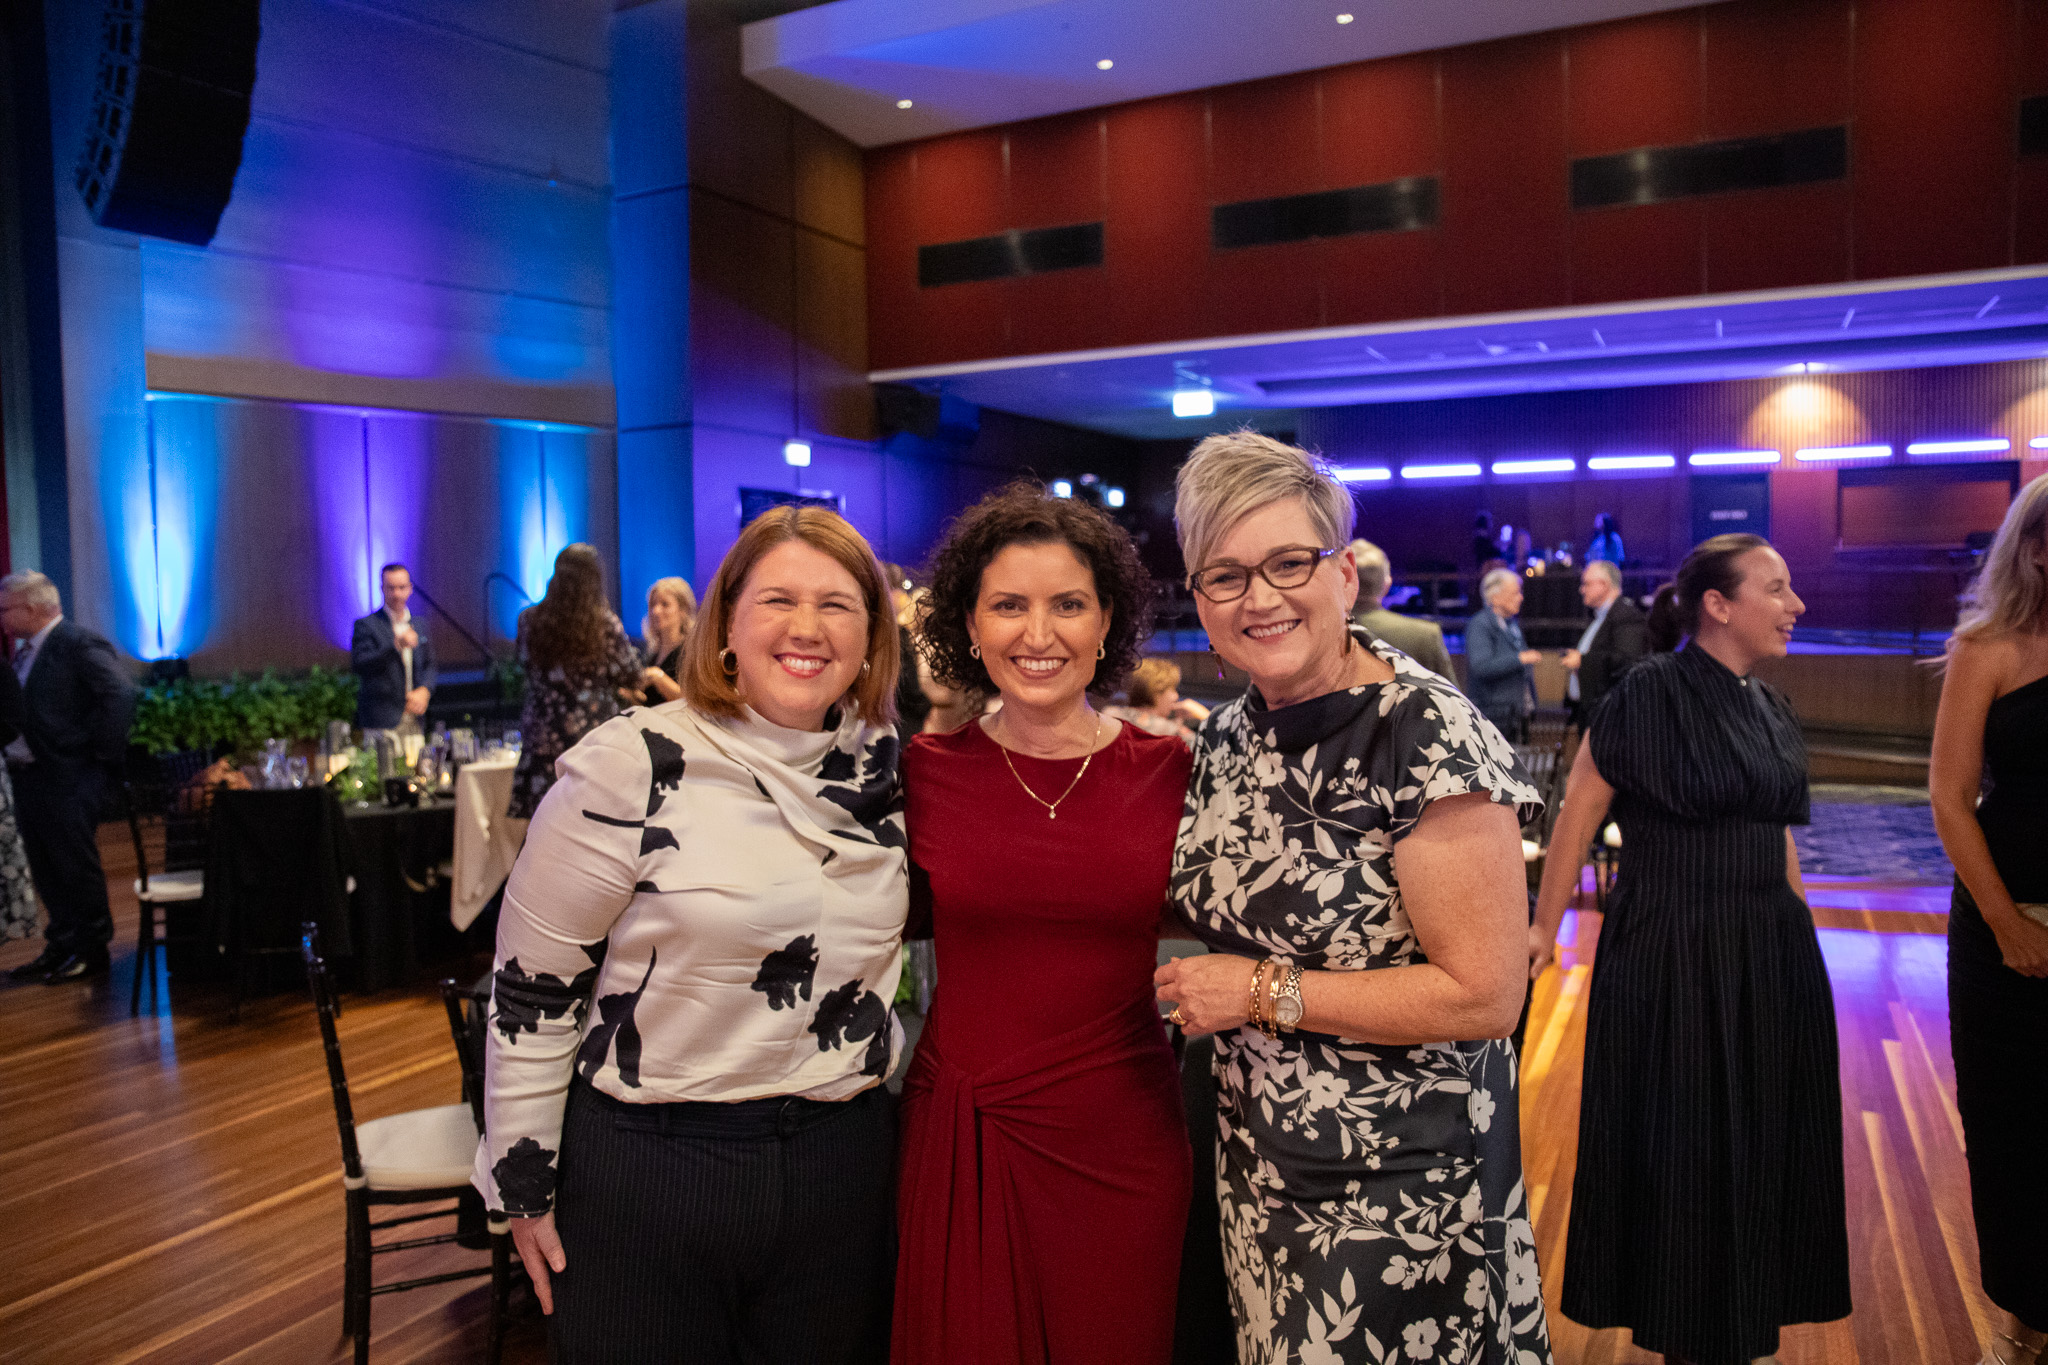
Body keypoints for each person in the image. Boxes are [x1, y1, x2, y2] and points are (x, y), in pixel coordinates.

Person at [1156, 433, 1549, 1365]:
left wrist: (1256, 992)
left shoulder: (1425, 731)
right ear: (1200, 599)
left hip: (1404, 1191)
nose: (1259, 597)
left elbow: (1486, 994)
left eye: (1288, 563)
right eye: (1225, 575)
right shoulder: (1229, 734)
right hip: (1260, 1168)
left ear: (1342, 574)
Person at [477, 506, 907, 1361]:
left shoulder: (885, 765)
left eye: (837, 605)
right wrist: (522, 1187)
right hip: (653, 1169)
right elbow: (532, 984)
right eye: (777, 599)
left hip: (842, 1165)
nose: (807, 627)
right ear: (727, 626)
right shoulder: (630, 760)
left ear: (870, 639)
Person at [1528, 533, 1849, 1365]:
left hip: (1768, 947)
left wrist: (1802, 937)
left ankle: (1743, 1319)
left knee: (1763, 1139)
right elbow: (1578, 809)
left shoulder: (1769, 703)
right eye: (1777, 588)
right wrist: (1542, 929)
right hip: (1673, 949)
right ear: (1718, 604)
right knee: (1684, 1146)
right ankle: (1688, 1331)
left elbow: (1777, 833)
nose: (1795, 604)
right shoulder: (1649, 691)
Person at [894, 482, 1192, 1365]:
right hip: (970, 1127)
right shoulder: (924, 771)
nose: (1038, 633)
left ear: (1107, 624)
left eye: (1067, 604)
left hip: (1123, 1136)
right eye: (1008, 606)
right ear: (970, 626)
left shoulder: (1172, 771)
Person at [1928, 473, 2048, 1364]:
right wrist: (2007, 922)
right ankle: (2023, 1321)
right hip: (2006, 929)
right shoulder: (1990, 644)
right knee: (2014, 1133)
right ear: (2037, 548)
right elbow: (1949, 795)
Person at [1, 571, 138, 983]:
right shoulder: (26, 653)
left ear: (31, 608)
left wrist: (97, 754)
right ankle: (61, 945)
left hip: (69, 776)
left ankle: (92, 950)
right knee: (46, 867)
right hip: (30, 776)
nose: (2, 619)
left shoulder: (77, 644)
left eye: (5, 610)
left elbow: (120, 694)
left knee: (75, 865)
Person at [506, 544, 645, 821]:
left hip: (543, 733)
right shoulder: (603, 624)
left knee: (544, 822)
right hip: (591, 733)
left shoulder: (528, 620)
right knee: (594, 820)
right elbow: (631, 673)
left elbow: (523, 665)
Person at [1349, 538, 1455, 678]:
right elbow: (1450, 692)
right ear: (1387, 584)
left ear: (1344, 580)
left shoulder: (1326, 632)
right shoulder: (1425, 635)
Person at [350, 563, 436, 730]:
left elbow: (430, 665)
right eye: (391, 588)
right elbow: (360, 664)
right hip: (381, 720)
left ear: (410, 589)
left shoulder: (419, 624)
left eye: (401, 587)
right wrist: (396, 645)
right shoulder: (367, 625)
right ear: (382, 589)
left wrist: (425, 690)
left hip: (415, 717)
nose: (397, 594)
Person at [1561, 560, 1647, 724]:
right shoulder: (1600, 617)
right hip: (1594, 713)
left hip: (1611, 717)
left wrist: (1582, 661)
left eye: (1586, 584)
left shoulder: (1626, 615)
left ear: (1604, 585)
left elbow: (1628, 660)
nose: (1581, 589)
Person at [1465, 567, 1541, 742]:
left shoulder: (1511, 625)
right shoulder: (1480, 625)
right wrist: (1519, 659)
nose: (1521, 598)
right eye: (1515, 593)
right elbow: (1481, 666)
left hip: (1516, 714)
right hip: (1493, 716)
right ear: (1495, 597)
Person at [1105, 656, 1209, 745]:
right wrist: (1205, 715)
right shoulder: (1170, 731)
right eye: (1172, 689)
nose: (1176, 696)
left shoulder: (1110, 716)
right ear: (1157, 692)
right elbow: (1212, 750)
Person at [634, 576, 695, 705]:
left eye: (665, 604)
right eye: (653, 605)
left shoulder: (691, 652)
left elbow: (693, 700)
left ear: (683, 610)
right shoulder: (651, 654)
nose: (656, 611)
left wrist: (658, 677)